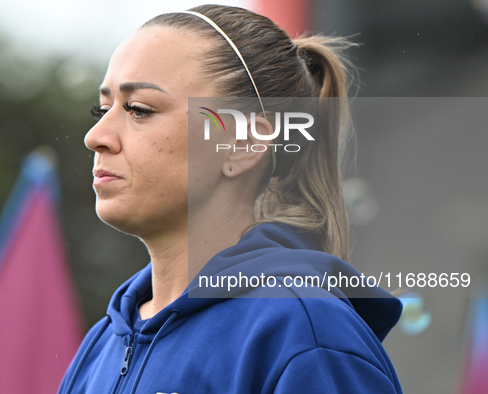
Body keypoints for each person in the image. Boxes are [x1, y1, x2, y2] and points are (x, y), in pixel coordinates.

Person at [58, 4, 403, 393]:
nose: (95, 136)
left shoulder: (306, 333)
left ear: (244, 144)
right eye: (102, 109)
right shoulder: (101, 345)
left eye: (139, 109)